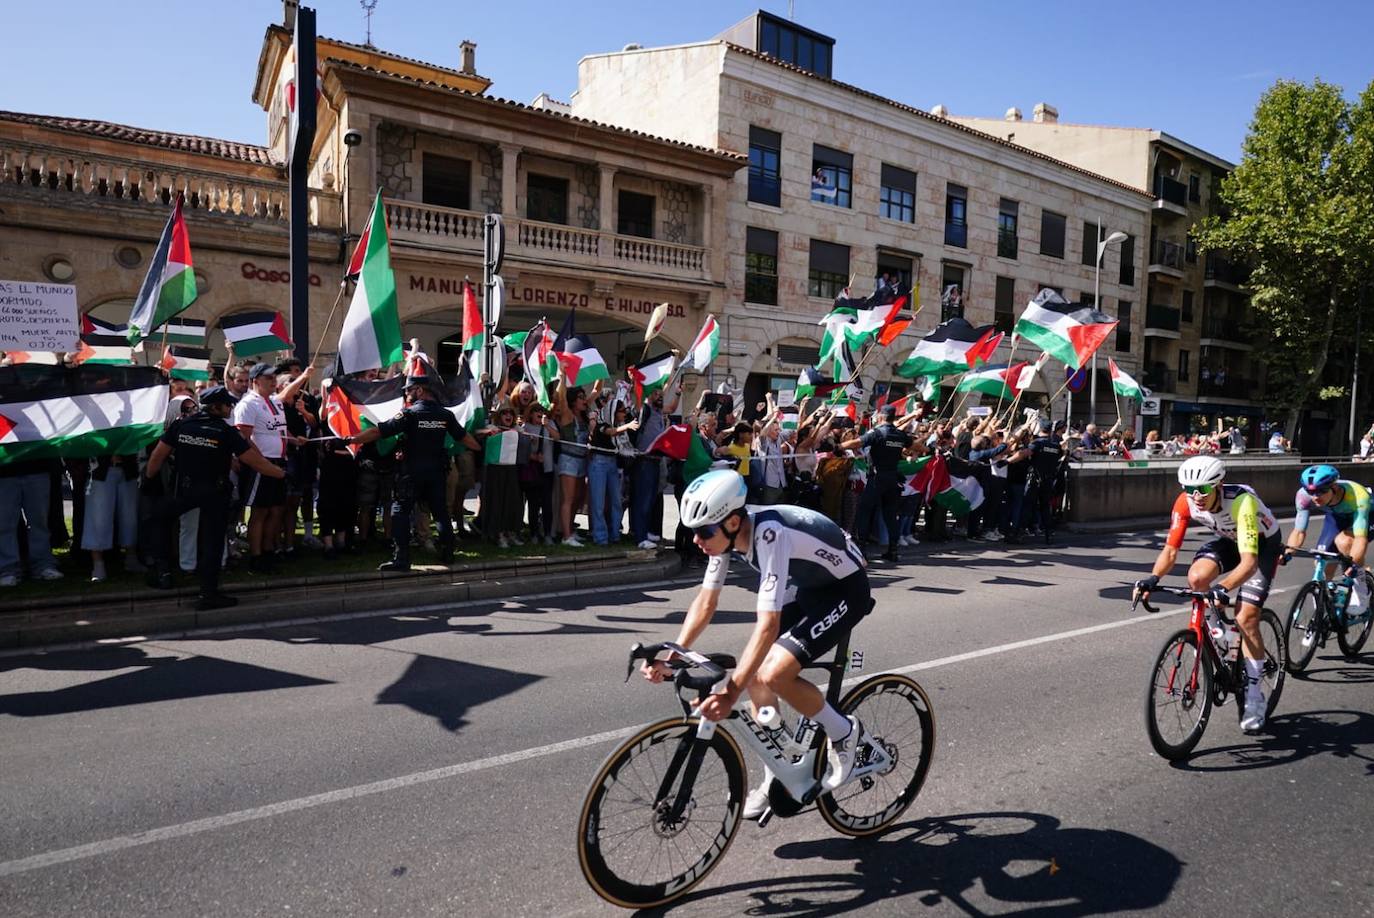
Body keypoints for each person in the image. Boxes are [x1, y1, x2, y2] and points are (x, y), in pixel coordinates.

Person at [643, 469, 873, 819]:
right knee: (753, 673)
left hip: (845, 590)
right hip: (811, 586)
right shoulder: (725, 536)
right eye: (694, 531)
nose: (696, 540)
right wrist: (671, 656)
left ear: (733, 521)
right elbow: (705, 604)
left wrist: (729, 694)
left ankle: (845, 733)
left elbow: (768, 626)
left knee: (772, 674)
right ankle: (778, 770)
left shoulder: (769, 534)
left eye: (704, 531)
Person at [1134, 456, 1282, 734]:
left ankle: (1253, 695)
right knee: (1197, 578)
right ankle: (1218, 633)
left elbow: (1249, 563)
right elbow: (1170, 550)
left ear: (1219, 484)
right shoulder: (1185, 501)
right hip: (1229, 540)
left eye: (1203, 488)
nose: (1196, 496)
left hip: (1261, 547)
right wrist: (1153, 578)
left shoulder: (1242, 503)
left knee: (1247, 617)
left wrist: (1224, 588)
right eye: (1189, 489)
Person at [145, 386, 286, 610]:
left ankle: (162, 572)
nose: (231, 407)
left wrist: (149, 479)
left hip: (184, 491)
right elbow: (253, 460)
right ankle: (208, 593)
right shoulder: (225, 431)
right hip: (214, 493)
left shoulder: (182, 425)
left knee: (158, 519)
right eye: (227, 404)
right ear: (215, 407)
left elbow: (158, 455)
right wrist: (280, 473)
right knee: (212, 542)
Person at [347, 368, 479, 570]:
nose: (406, 394)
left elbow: (379, 431)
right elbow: (465, 438)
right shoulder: (445, 415)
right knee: (441, 513)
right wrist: (480, 446)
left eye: (409, 390)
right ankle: (448, 553)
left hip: (412, 473)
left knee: (400, 512)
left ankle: (401, 559)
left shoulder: (409, 414)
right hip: (436, 473)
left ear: (419, 390)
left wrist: (351, 440)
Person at [233, 363, 310, 572]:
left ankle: (268, 551)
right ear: (255, 381)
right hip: (262, 463)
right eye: (268, 378)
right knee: (260, 512)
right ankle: (256, 556)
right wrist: (261, 462)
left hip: (279, 461)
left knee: (276, 510)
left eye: (274, 377)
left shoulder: (273, 402)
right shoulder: (248, 404)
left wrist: (294, 441)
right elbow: (243, 438)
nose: (273, 381)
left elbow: (279, 429)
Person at [1285, 464, 1370, 610]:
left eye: (1321, 491)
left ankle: (1362, 590)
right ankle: (1326, 606)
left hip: (1363, 515)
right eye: (1311, 492)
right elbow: (1299, 531)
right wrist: (1287, 552)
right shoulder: (1303, 496)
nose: (1315, 497)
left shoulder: (1357, 496)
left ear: (1334, 487)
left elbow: (1360, 538)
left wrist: (1354, 565)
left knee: (1344, 542)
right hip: (1336, 515)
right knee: (1321, 558)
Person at [842, 403, 911, 561]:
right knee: (890, 514)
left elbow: (857, 443)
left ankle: (862, 550)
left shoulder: (878, 433)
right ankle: (893, 551)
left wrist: (839, 446)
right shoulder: (900, 435)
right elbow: (917, 446)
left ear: (881, 416)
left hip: (877, 478)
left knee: (864, 511)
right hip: (892, 479)